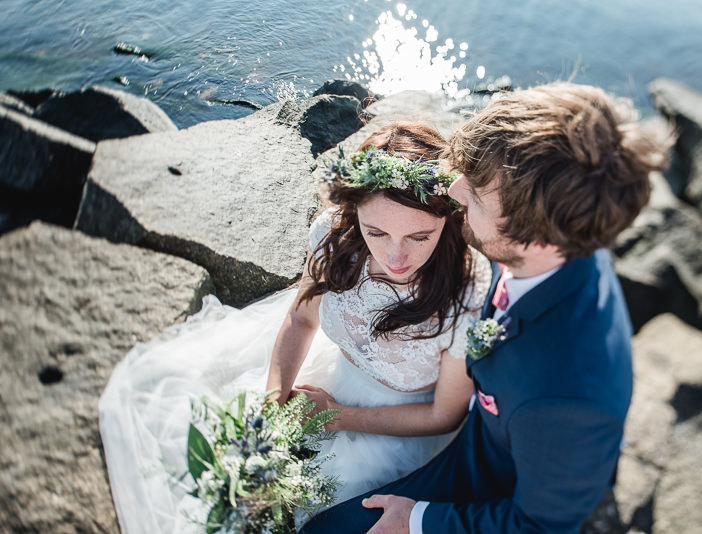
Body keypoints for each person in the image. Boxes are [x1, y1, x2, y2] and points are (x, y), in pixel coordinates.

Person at [300, 82, 669, 534]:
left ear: (529, 236)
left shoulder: (566, 397)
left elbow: (538, 526)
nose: (454, 191)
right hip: (479, 431)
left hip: (493, 475)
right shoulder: (568, 223)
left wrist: (418, 519)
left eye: (474, 194)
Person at [98, 122, 491, 534]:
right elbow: (301, 319)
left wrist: (337, 417)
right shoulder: (336, 236)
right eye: (376, 231)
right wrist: (274, 402)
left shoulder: (468, 292)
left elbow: (443, 414)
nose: (396, 255)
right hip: (325, 379)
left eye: (419, 235)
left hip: (399, 429)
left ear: (448, 217)